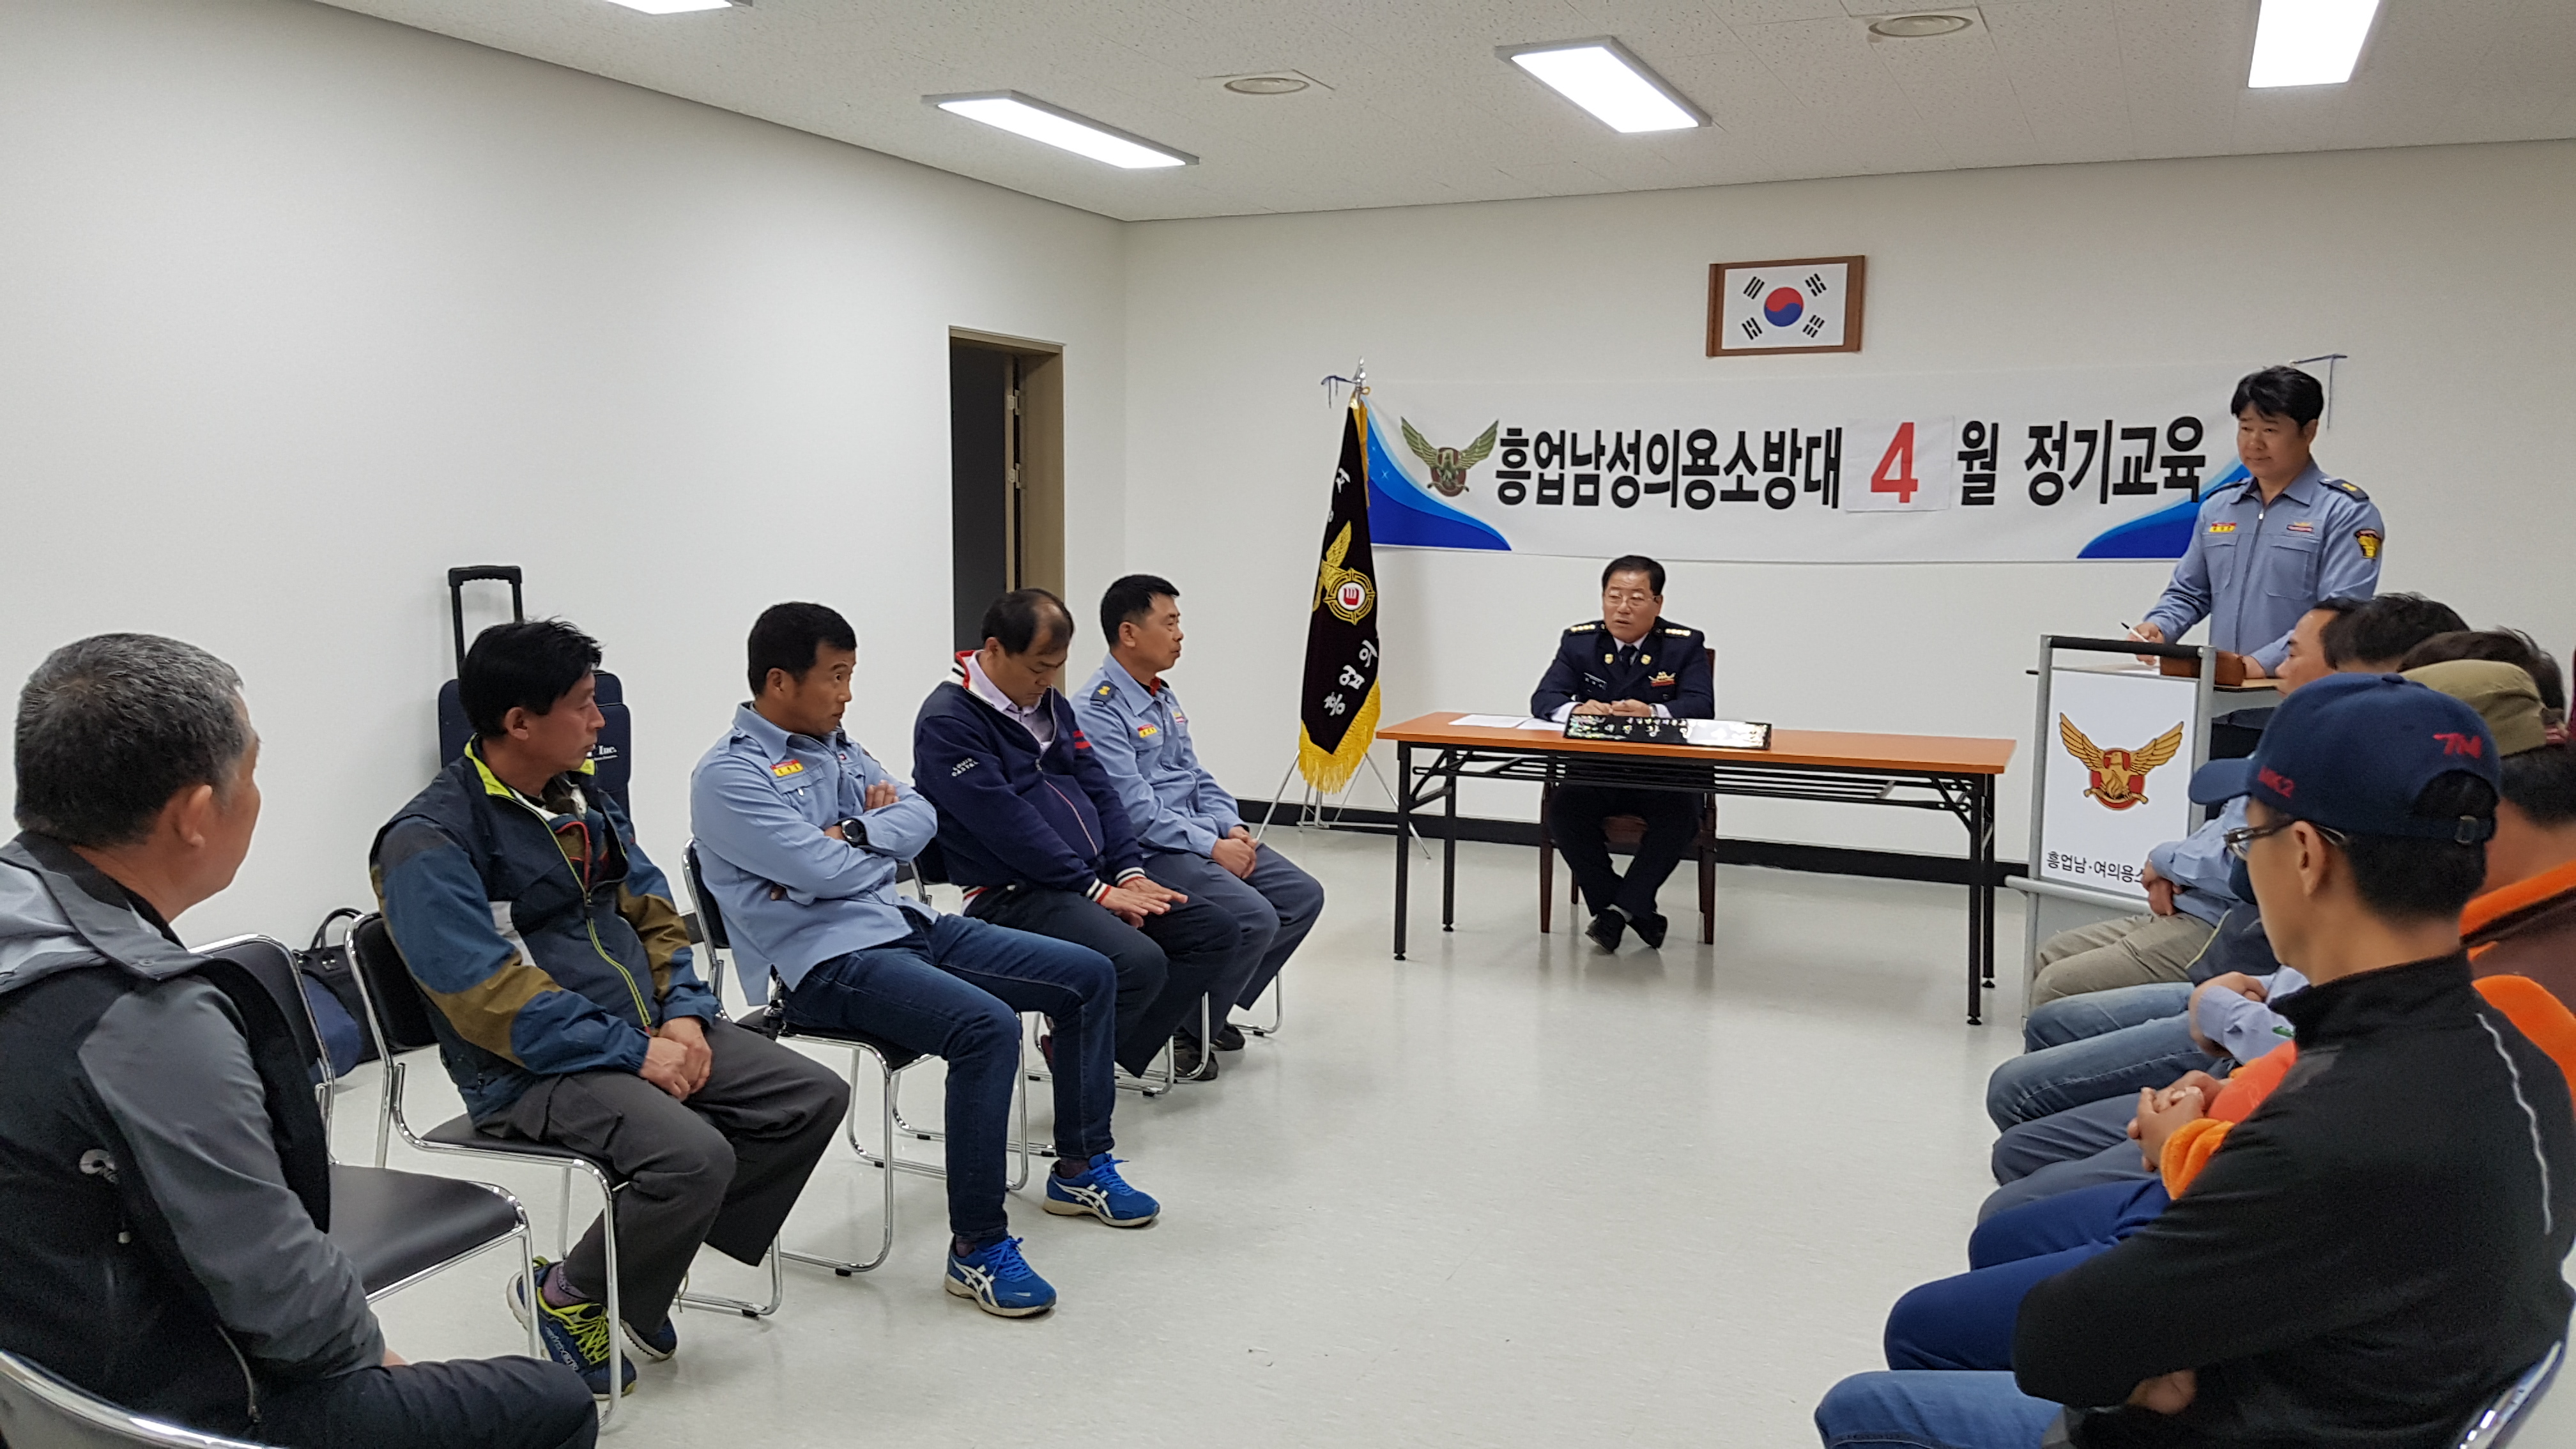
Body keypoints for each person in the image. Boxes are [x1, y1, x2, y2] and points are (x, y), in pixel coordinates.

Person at [1816, 672, 2576, 1448]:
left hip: (2254, 1421)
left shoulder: (2329, 1130)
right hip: (2363, 1398)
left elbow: (2059, 1341)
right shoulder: (2522, 1060)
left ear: (2306, 855)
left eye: (2248, 840)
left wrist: (2155, 1360)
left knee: (1863, 1410)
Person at [1, 634, 595, 1448]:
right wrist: (373, 1363)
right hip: (153, 1407)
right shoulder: (144, 1020)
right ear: (196, 816)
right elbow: (272, 1282)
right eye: (251, 771)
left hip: (36, 1370)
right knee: (549, 1403)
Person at [373, 620, 849, 1395]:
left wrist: (685, 1013)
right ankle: (569, 1297)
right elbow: (489, 997)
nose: (601, 721)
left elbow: (654, 910)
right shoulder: (431, 839)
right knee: (694, 1158)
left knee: (809, 1097)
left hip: (639, 1029)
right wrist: (638, 1052)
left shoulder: (579, 798)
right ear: (520, 722)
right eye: (583, 705)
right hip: (525, 1070)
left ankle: (636, 1271)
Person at [691, 602, 1155, 1318]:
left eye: (851, 675)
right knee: (987, 1028)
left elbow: (921, 817)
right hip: (825, 964)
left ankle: (1080, 1166)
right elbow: (821, 868)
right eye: (835, 676)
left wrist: (850, 833)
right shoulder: (728, 776)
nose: (848, 693)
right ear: (779, 681)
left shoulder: (839, 747)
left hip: (904, 924)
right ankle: (977, 1248)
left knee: (1088, 975)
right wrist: (863, 843)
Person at [914, 588, 1238, 1080]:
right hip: (1014, 892)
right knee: (1139, 962)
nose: (1046, 681)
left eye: (1056, 668)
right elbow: (1008, 825)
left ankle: (1087, 1049)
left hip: (1087, 877)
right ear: (995, 649)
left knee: (1211, 931)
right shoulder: (949, 720)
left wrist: (1128, 872)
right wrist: (1095, 890)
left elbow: (1100, 788)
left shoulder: (1051, 704)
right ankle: (1082, 1061)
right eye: (1037, 668)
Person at [1076, 575, 1325, 1074]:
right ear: (1129, 633)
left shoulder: (1161, 696)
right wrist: (1211, 847)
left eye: (1178, 622)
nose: (1179, 634)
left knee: (1302, 897)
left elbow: (1194, 774)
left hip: (1199, 835)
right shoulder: (1097, 709)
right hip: (1149, 851)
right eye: (1168, 623)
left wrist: (1231, 827)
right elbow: (1134, 811)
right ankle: (1186, 1027)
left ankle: (1207, 1006)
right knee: (1256, 917)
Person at [1530, 554, 1714, 951]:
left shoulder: (1684, 644)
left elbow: (1702, 706)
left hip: (1662, 772)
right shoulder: (1580, 643)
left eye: (1636, 598)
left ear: (1657, 603)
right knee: (1564, 813)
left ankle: (1614, 914)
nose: (1623, 608)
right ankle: (1633, 911)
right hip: (1598, 769)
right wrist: (1575, 710)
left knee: (1680, 820)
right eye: (1614, 596)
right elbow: (1544, 699)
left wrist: (1653, 712)